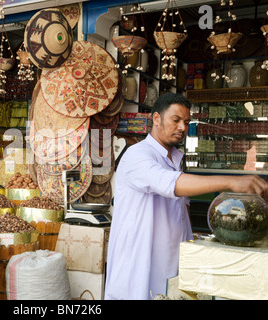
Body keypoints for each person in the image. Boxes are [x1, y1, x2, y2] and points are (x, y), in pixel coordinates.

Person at [105, 92, 268, 300]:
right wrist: (231, 181)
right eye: (176, 120)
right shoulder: (138, 155)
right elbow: (171, 184)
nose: (183, 127)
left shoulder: (173, 160)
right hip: (138, 268)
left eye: (186, 122)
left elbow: (182, 212)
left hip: (172, 267)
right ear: (156, 119)